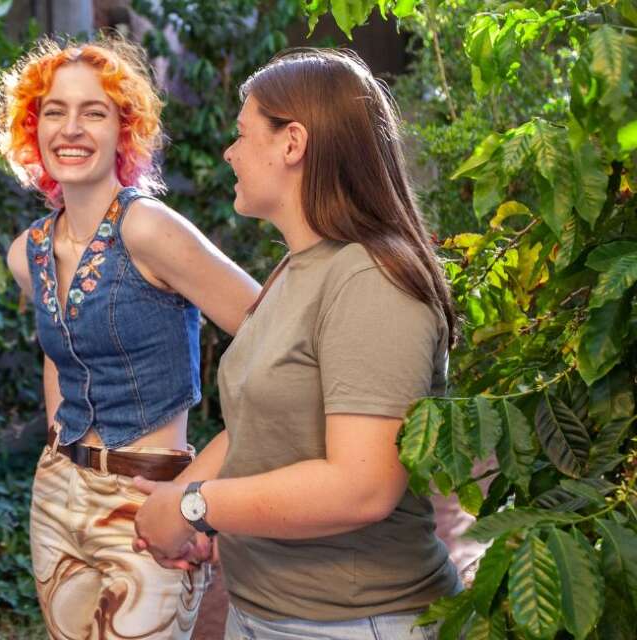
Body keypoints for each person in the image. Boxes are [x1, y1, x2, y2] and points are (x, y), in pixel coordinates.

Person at [132, 48, 461, 640]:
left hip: (356, 622)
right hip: (265, 612)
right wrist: (179, 501)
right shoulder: (298, 267)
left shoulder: (369, 279)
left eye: (241, 134)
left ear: (293, 143)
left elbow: (361, 488)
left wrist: (195, 506)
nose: (229, 153)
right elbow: (260, 425)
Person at [0, 36, 261, 640]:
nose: (71, 128)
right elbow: (60, 353)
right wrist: (59, 447)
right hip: (58, 492)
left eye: (94, 111)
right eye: (54, 111)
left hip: (148, 496)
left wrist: (204, 490)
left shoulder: (149, 228)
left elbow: (277, 342)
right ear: (33, 129)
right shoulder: (26, 252)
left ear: (123, 129)